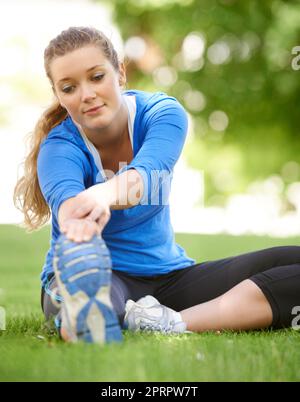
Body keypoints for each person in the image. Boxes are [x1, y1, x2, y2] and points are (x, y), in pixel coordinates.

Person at [14, 26, 300, 344]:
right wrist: (77, 220)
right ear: (58, 94)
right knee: (95, 298)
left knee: (293, 262)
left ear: (120, 73)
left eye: (97, 77)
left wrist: (101, 195)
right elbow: (67, 204)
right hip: (99, 275)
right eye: (68, 88)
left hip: (167, 278)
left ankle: (169, 322)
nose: (86, 95)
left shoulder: (162, 114)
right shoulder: (60, 147)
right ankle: (80, 310)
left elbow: (147, 176)